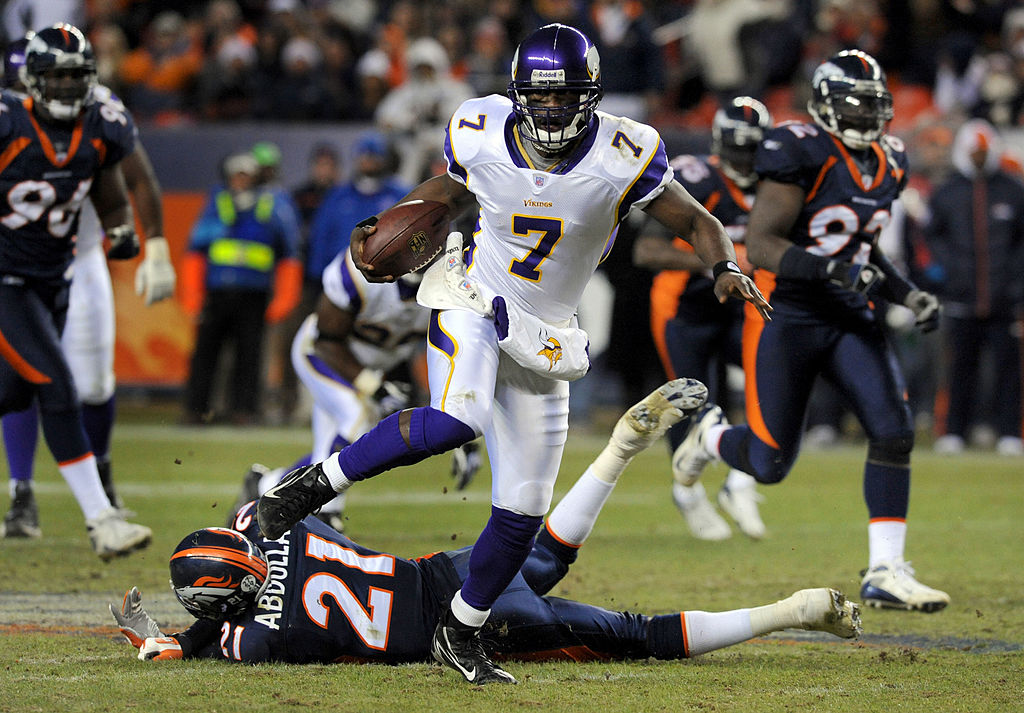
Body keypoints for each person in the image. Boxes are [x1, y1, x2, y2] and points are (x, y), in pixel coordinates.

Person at [256, 23, 771, 685]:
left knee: (524, 510)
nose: (552, 109)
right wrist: (397, 224)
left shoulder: (624, 150)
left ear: (591, 95)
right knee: (458, 418)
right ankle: (316, 483)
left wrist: (725, 265)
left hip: (546, 332)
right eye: (541, 96)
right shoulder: (479, 128)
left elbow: (697, 220)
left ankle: (459, 631)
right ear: (518, 92)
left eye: (566, 97)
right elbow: (445, 193)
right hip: (473, 294)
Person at [111, 379, 861, 670]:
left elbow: (216, 633)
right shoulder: (273, 531)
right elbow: (254, 548)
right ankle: (623, 449)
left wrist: (162, 638)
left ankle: (792, 610)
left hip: (452, 623)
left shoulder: (259, 640)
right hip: (440, 571)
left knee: (634, 633)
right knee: (540, 557)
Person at [671, 50, 950, 613]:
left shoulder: (890, 160)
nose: (868, 116)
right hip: (794, 314)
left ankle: (885, 570)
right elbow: (766, 243)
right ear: (825, 105)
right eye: (856, 104)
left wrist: (906, 293)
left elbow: (863, 247)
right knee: (770, 465)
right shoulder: (801, 149)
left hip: (851, 314)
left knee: (894, 431)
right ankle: (711, 439)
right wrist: (836, 271)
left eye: (876, 104)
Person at [1, 37, 177, 538]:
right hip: (9, 270)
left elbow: (121, 189)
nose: (64, 87)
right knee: (55, 382)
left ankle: (99, 478)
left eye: (73, 75)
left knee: (19, 389)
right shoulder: (9, 122)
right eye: (51, 77)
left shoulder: (101, 121)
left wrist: (141, 240)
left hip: (64, 268)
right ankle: (97, 516)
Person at [231, 239, 481, 532]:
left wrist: (464, 435)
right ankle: (323, 513)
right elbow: (326, 339)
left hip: (373, 367)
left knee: (337, 443)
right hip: (323, 355)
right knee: (358, 418)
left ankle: (268, 485)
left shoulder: (455, 287)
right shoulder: (364, 269)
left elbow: (456, 366)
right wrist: (372, 385)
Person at [634, 96, 771, 541]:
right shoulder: (698, 177)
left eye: (753, 149)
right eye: (738, 149)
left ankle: (741, 479)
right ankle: (687, 493)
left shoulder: (773, 186)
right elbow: (646, 250)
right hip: (684, 310)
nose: (745, 160)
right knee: (689, 403)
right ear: (719, 143)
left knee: (771, 378)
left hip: (735, 312)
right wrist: (719, 264)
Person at [181, 151, 301, 425]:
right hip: (218, 291)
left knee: (249, 356)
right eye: (237, 174)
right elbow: (195, 250)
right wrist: (192, 294)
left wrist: (284, 298)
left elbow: (288, 254)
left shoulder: (271, 205)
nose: (241, 180)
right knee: (205, 354)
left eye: (246, 175)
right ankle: (196, 410)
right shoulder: (217, 202)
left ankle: (243, 411)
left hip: (254, 293)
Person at [926, 119, 1024, 457]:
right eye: (974, 153)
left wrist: (1015, 282)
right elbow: (931, 237)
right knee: (959, 369)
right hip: (960, 298)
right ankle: (954, 430)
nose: (979, 159)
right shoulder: (948, 191)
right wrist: (947, 273)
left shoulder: (1013, 190)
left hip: (1004, 300)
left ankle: (1010, 431)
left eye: (984, 153)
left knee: (1008, 371)